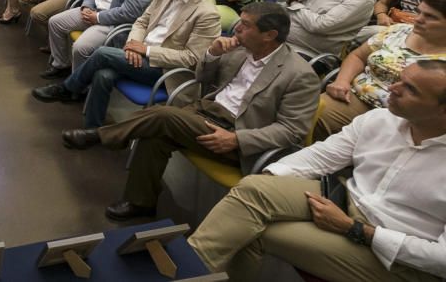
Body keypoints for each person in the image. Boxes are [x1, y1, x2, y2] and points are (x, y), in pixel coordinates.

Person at [188, 60, 446, 282]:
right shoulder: (381, 119)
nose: (392, 88)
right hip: (349, 201)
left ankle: (182, 271)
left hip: (399, 260)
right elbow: (322, 155)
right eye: (399, 79)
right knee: (254, 191)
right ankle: (184, 271)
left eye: (410, 89)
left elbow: (441, 260)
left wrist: (353, 228)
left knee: (250, 230)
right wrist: (269, 181)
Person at [62, 3, 319, 220]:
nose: (237, 28)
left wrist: (237, 140)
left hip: (237, 134)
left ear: (269, 35)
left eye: (247, 25)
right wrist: (212, 54)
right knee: (157, 132)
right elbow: (202, 79)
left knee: (163, 115)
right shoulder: (239, 49)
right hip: (205, 112)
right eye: (239, 22)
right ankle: (141, 202)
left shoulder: (299, 74)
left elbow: (292, 130)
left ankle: (100, 136)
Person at [33, 0, 219, 128]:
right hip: (138, 55)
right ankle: (93, 129)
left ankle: (67, 88)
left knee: (102, 53)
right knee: (103, 75)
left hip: (166, 71)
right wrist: (133, 46)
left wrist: (145, 50)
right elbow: (141, 21)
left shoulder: (207, 14)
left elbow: (192, 58)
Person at [318, 0, 446, 140]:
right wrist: (342, 81)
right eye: (419, 12)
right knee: (312, 111)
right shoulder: (398, 31)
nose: (417, 19)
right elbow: (358, 56)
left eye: (430, 17)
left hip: (403, 117)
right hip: (353, 98)